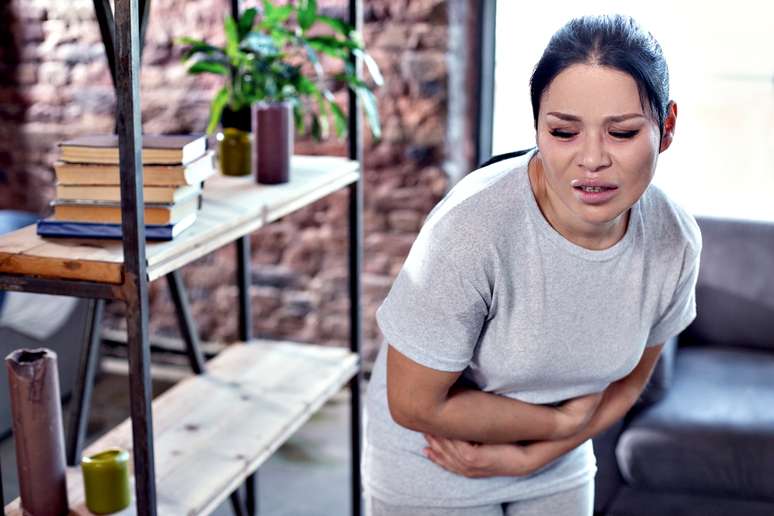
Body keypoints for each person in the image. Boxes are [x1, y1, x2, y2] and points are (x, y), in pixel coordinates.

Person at [362, 13, 702, 516]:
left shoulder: (674, 240)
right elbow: (412, 403)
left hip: (556, 461)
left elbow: (631, 381)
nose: (591, 159)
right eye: (564, 132)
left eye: (623, 133)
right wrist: (558, 425)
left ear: (666, 127)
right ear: (538, 127)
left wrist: (538, 455)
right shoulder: (471, 230)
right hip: (437, 457)